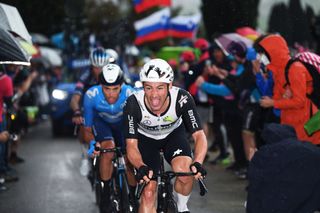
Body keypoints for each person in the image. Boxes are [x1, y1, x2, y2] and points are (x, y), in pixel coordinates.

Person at [123, 58, 208, 213]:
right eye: (149, 88)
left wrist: (198, 162)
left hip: (173, 136)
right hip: (146, 140)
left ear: (170, 85)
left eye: (160, 88)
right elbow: (131, 146)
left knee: (185, 172)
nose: (154, 95)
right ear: (143, 87)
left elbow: (199, 135)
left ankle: (182, 207)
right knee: (148, 192)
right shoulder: (133, 103)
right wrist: (141, 166)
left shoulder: (182, 99)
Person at [83, 63, 136, 212]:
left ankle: (133, 195)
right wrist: (93, 143)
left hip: (122, 124)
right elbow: (87, 129)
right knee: (108, 150)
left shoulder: (130, 93)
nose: (111, 94)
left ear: (122, 86)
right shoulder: (91, 95)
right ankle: (105, 194)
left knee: (129, 158)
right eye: (106, 89)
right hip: (102, 123)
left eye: (115, 89)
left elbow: (138, 123)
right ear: (100, 85)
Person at [254, 34, 320, 144]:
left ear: (273, 52)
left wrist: (273, 103)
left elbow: (299, 101)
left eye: (262, 54)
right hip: (290, 122)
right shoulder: (277, 71)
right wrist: (279, 99)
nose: (260, 58)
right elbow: (276, 95)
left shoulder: (295, 69)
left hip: (305, 124)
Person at [69, 47, 109, 176]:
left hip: (107, 108)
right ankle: (85, 157)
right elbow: (74, 99)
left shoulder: (113, 74)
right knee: (82, 123)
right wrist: (76, 112)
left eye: (103, 67)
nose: (100, 71)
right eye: (96, 67)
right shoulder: (85, 76)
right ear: (91, 67)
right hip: (89, 109)